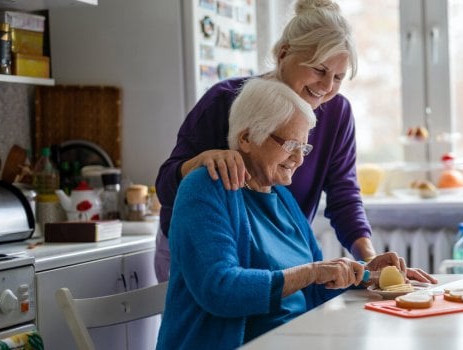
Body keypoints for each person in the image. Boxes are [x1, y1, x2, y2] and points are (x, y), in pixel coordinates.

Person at [154, 0, 436, 284]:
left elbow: (343, 195)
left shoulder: (336, 113)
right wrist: (201, 161)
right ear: (284, 53)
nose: (327, 86)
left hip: (273, 258)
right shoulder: (225, 100)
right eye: (318, 69)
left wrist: (368, 259)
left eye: (338, 77)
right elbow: (166, 186)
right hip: (204, 255)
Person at [156, 78, 407, 349]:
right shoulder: (206, 188)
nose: (299, 159)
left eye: (304, 147)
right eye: (289, 145)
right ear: (247, 138)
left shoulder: (283, 198)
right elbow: (219, 289)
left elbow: (316, 287)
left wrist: (367, 275)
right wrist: (312, 272)